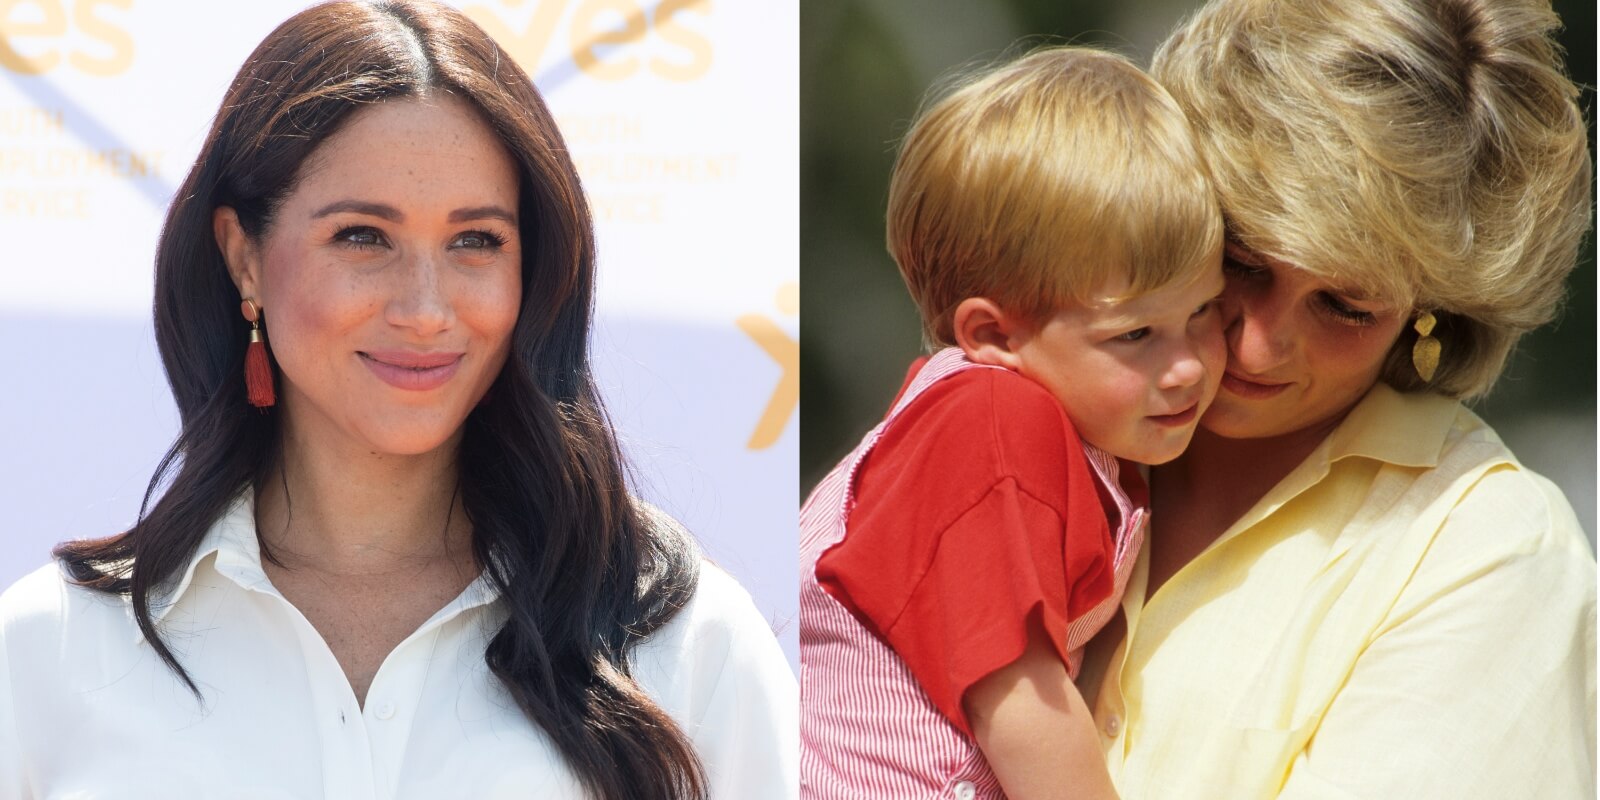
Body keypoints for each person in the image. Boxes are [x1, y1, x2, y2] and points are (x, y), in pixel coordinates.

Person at [0, 2, 796, 798]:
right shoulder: (52, 651)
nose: (424, 308)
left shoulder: (687, 646)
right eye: (362, 237)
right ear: (244, 258)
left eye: (475, 242)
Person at [1079, 0, 1595, 797]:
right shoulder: (1032, 408)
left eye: (1346, 307)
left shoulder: (1489, 552)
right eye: (1241, 259)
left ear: (1434, 310)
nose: (1255, 345)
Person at [800, 47, 1225, 799]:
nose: (1188, 364)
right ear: (993, 336)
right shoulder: (989, 423)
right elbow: (1018, 697)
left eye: (1205, 313)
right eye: (1136, 335)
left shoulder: (1039, 420)